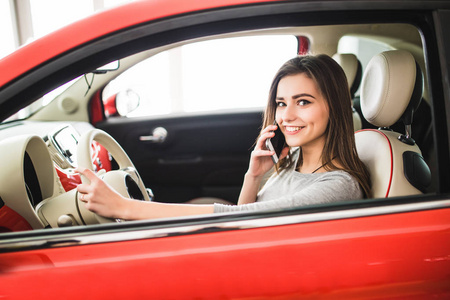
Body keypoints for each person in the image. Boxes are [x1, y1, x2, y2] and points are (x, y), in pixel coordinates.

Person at [76, 54, 371, 220]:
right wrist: (253, 177)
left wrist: (124, 207)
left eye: (303, 102)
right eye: (281, 103)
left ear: (334, 106)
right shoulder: (294, 159)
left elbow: (245, 218)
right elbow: (246, 216)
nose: (286, 116)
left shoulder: (338, 187)